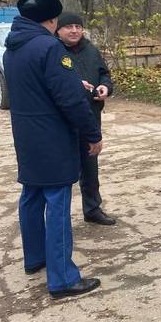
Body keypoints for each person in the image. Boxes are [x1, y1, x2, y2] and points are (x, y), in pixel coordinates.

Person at [4, 0, 103, 299]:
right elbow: (69, 100)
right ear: (50, 20)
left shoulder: (13, 48)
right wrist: (91, 134)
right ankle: (62, 279)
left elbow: (37, 89)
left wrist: (73, 82)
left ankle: (35, 259)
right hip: (52, 136)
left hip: (26, 135)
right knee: (58, 202)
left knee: (31, 195)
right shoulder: (49, 48)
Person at [56, 12, 116, 226]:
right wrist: (75, 85)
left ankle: (92, 209)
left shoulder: (91, 50)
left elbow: (104, 74)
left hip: (90, 116)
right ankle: (58, 217)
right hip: (62, 121)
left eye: (77, 26)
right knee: (62, 169)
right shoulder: (54, 52)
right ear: (58, 30)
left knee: (90, 166)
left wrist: (105, 87)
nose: (74, 30)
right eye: (68, 27)